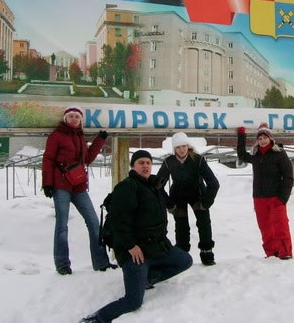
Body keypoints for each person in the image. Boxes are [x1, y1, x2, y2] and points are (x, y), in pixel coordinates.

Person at [81, 150, 193, 323]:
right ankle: (98, 318)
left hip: (156, 247)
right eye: (141, 162)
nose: (146, 166)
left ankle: (146, 278)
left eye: (148, 162)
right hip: (134, 253)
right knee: (133, 302)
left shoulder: (153, 186)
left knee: (185, 260)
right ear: (133, 166)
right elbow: (119, 222)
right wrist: (130, 246)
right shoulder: (127, 187)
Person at [41, 106, 113, 275]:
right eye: (71, 116)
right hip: (61, 185)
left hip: (78, 185)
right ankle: (62, 264)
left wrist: (99, 141)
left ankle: (101, 262)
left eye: (77, 117)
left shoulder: (80, 137)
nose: (74, 119)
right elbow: (48, 159)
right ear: (65, 118)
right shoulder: (56, 136)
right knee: (62, 225)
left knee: (94, 222)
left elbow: (87, 159)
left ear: (81, 120)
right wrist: (47, 183)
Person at [157, 132, 220, 266]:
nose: (182, 149)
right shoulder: (169, 162)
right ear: (174, 149)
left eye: (184, 146)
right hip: (178, 195)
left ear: (188, 146)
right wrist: (169, 204)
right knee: (181, 226)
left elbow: (213, 183)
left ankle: (207, 252)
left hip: (197, 194)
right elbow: (158, 186)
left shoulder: (198, 160)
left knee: (203, 223)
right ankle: (182, 254)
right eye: (178, 147)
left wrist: (206, 202)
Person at [236, 123, 294, 260]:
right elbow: (242, 155)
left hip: (276, 198)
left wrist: (282, 199)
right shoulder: (255, 155)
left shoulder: (279, 153)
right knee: (265, 229)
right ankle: (271, 253)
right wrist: (241, 135)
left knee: (280, 227)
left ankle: (285, 252)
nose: (262, 141)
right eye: (260, 138)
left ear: (270, 138)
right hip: (259, 199)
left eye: (265, 137)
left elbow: (288, 177)